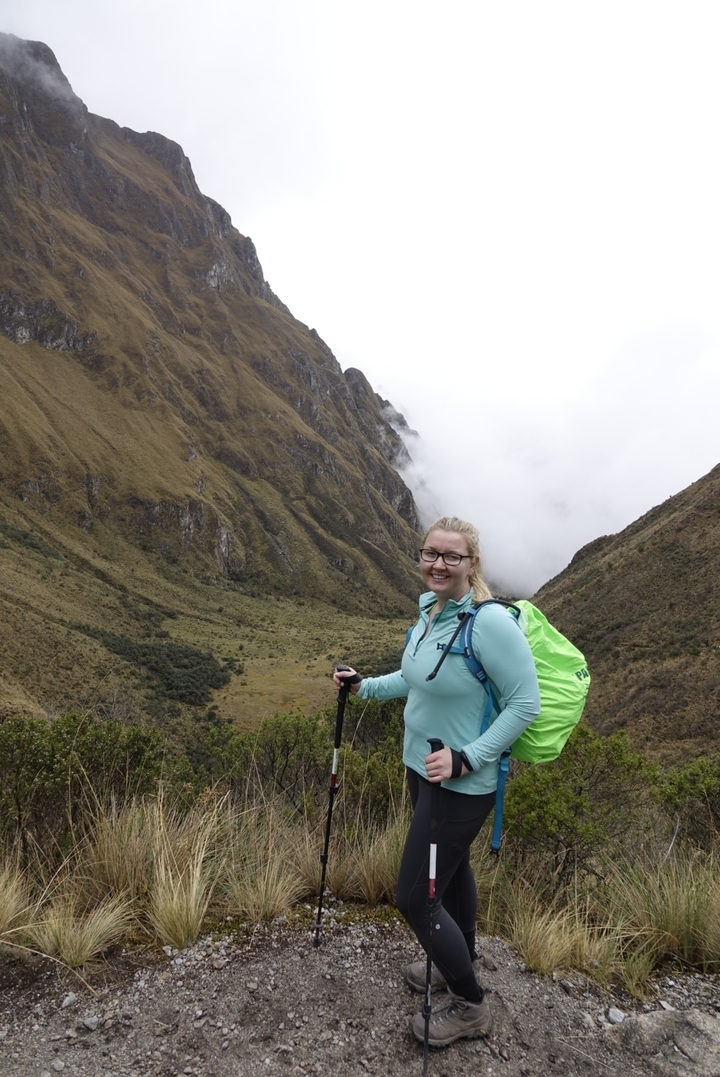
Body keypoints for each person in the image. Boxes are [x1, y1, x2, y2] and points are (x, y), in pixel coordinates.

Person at [333, 516, 540, 1047]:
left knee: (415, 897)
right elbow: (416, 676)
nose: (438, 564)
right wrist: (365, 687)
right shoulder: (431, 611)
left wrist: (467, 759)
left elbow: (525, 705)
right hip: (421, 770)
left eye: (452, 557)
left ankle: (471, 1004)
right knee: (450, 873)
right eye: (431, 554)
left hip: (460, 784)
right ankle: (458, 958)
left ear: (473, 564)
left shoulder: (490, 624)